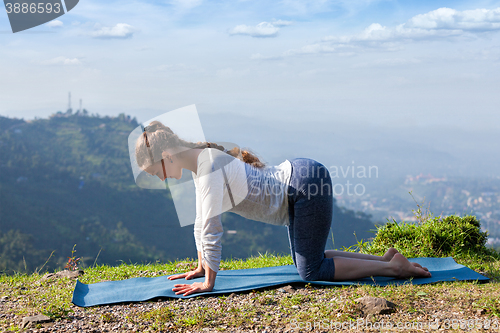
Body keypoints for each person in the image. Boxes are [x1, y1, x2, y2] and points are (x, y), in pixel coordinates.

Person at [135, 121, 431, 296]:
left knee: (311, 270)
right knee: (314, 258)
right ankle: (387, 258)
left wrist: (209, 283)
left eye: (153, 170)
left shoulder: (207, 166)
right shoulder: (201, 165)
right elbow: (201, 222)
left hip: (303, 186)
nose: (156, 177)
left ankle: (394, 268)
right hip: (300, 180)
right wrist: (201, 267)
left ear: (167, 155)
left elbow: (212, 227)